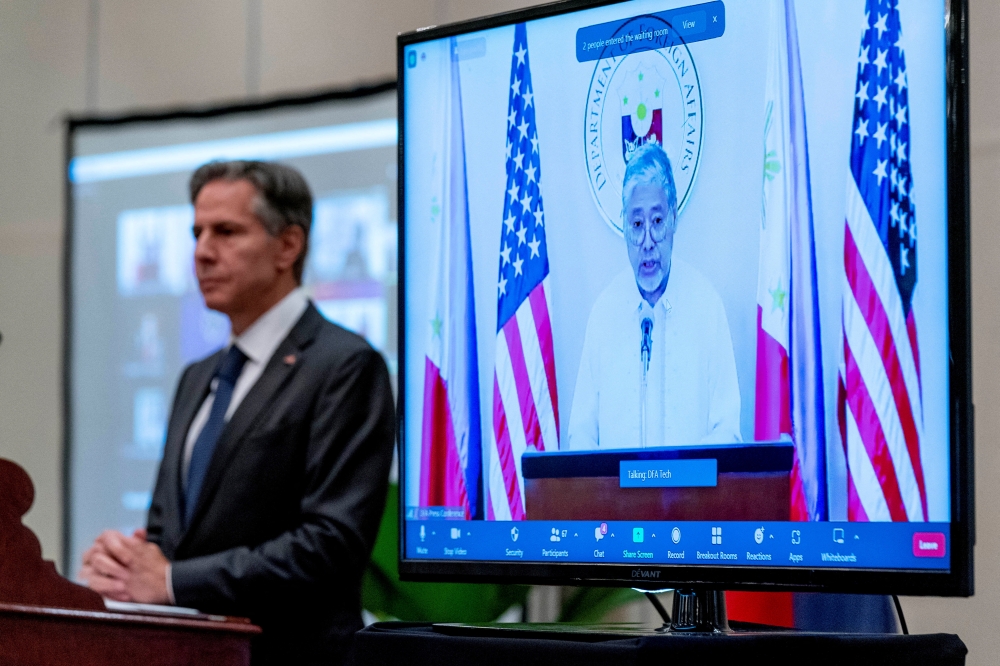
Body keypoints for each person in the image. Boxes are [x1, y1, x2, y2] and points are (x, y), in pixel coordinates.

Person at [78, 160, 395, 665]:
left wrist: (168, 580)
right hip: (194, 654)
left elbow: (331, 545)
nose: (202, 252)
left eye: (226, 232)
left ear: (288, 246)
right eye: (197, 232)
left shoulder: (345, 365)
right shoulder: (197, 376)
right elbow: (168, 533)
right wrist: (126, 566)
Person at [567, 142, 741, 450]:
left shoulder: (706, 306)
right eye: (637, 224)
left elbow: (727, 429)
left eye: (657, 222)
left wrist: (685, 482)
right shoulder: (605, 313)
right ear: (624, 226)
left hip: (692, 496)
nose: (647, 242)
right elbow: (580, 434)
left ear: (673, 218)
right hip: (616, 499)